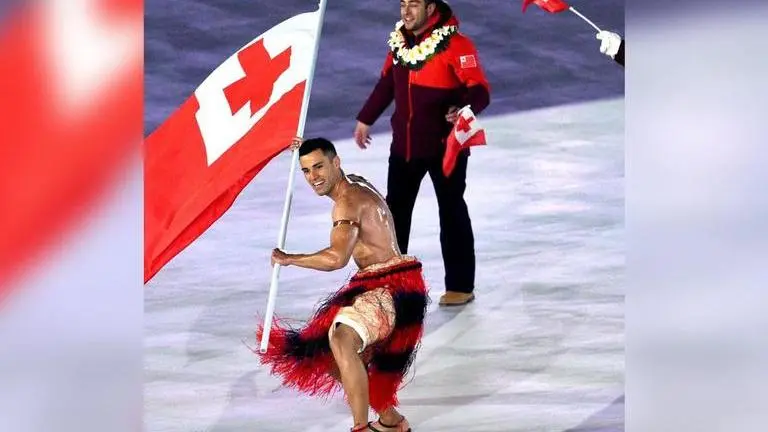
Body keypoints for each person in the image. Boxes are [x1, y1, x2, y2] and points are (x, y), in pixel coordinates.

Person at [256, 137, 429, 432]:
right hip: (392, 283)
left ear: (336, 162)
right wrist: (301, 143)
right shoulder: (357, 183)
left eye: (319, 167)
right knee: (327, 350)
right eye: (307, 170)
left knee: (341, 340)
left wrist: (289, 258)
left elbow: (337, 258)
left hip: (389, 289)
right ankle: (391, 422)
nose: (313, 177)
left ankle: (360, 428)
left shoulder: (347, 203)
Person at [354, 0, 490, 307]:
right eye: (402, 4)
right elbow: (387, 83)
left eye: (413, 4)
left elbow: (480, 89)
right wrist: (366, 117)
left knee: (451, 211)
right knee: (393, 216)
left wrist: (463, 107)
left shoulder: (457, 44)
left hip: (444, 147)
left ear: (430, 8)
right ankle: (390, 285)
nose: (406, 11)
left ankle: (460, 285)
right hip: (404, 146)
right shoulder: (399, 43)